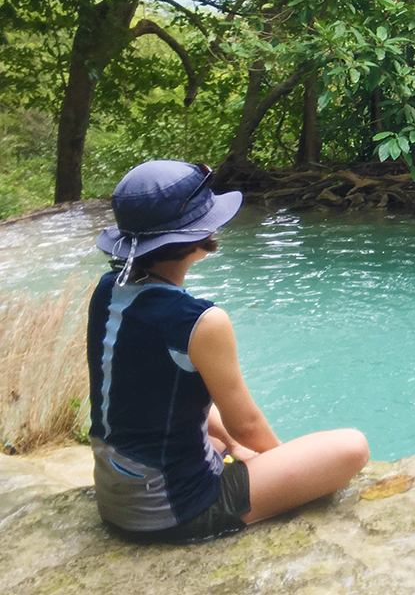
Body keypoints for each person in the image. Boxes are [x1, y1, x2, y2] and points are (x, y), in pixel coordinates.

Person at [87, 159, 369, 542]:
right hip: (174, 510)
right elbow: (247, 424)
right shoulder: (199, 320)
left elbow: (159, 399)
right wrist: (278, 463)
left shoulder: (109, 288)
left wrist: (235, 447)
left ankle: (226, 458)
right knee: (351, 447)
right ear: (196, 237)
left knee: (221, 440)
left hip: (119, 495)